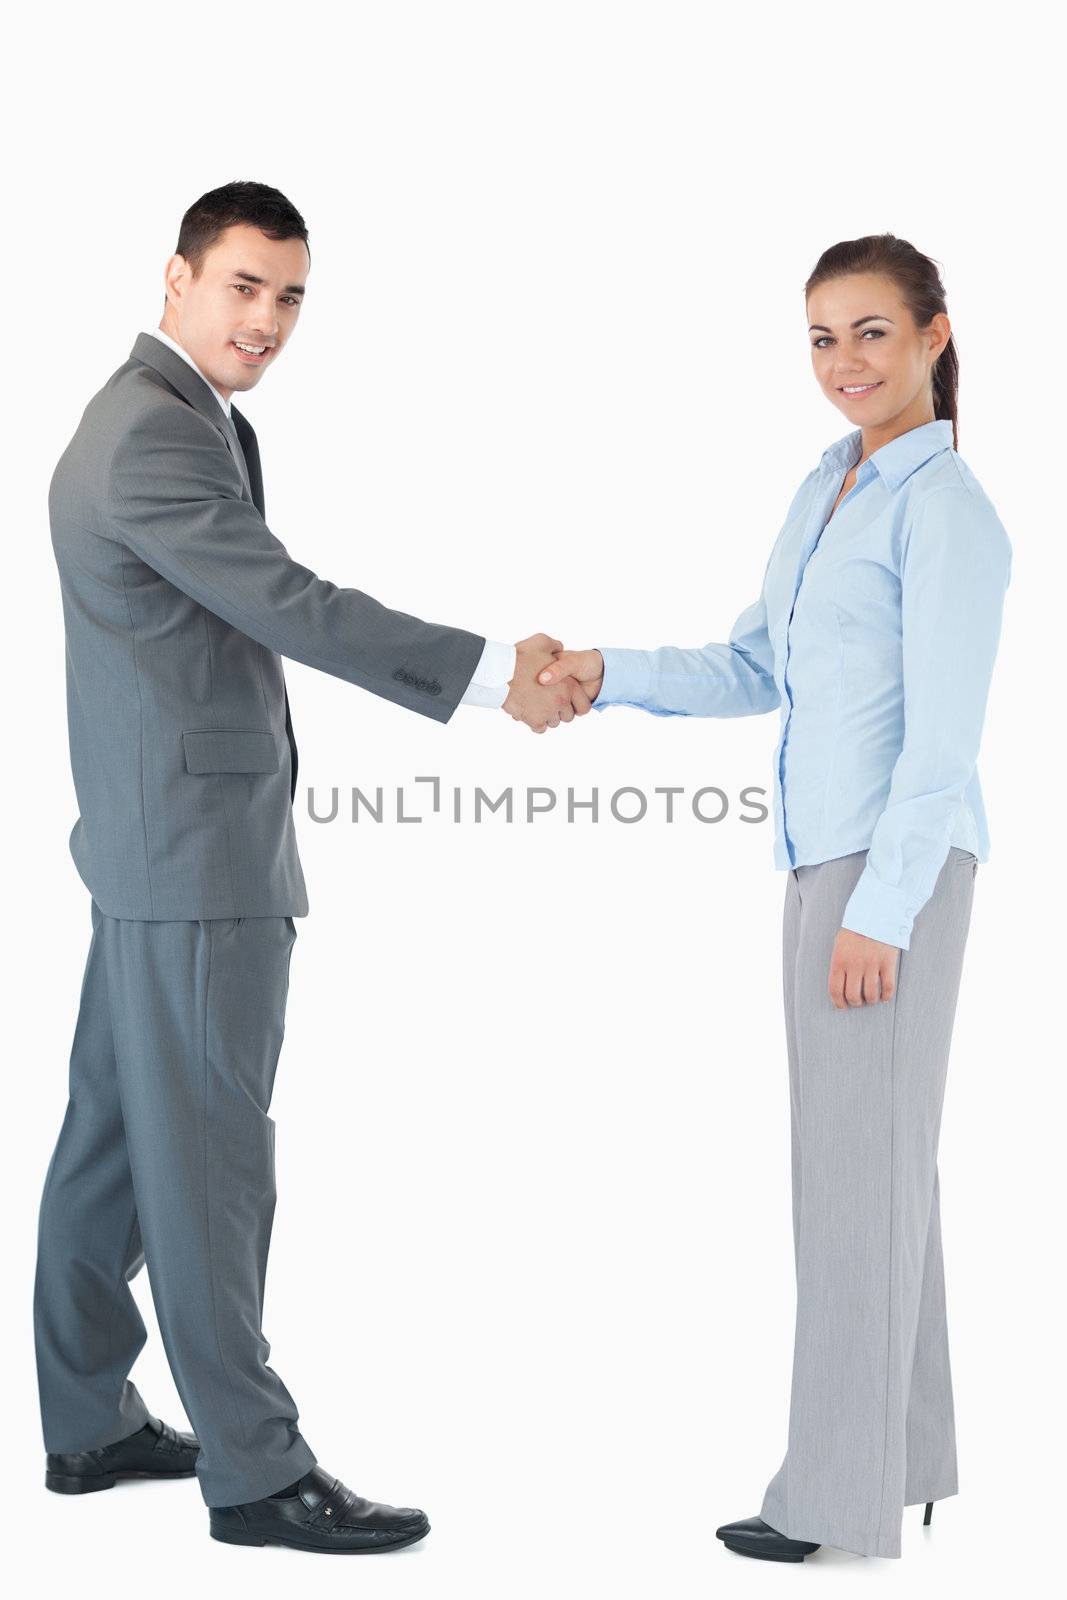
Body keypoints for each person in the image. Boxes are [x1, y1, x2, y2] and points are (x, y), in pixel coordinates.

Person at [35, 179, 594, 1556]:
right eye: (243, 286)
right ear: (175, 280)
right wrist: (484, 678)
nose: (269, 320)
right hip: (199, 860)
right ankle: (257, 1471)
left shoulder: (162, 419)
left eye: (290, 297)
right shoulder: (153, 438)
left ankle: (88, 1414)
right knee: (212, 1162)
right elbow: (287, 602)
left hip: (149, 846)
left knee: (112, 1143)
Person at [538, 233, 1012, 1561]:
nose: (843, 362)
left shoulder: (948, 510)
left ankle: (833, 1502)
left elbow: (947, 740)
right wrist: (602, 670)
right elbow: (754, 664)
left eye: (870, 331)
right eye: (820, 337)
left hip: (889, 869)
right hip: (824, 862)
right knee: (877, 1171)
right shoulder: (826, 489)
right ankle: (906, 1459)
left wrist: (885, 909)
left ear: (933, 334)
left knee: (853, 1183)